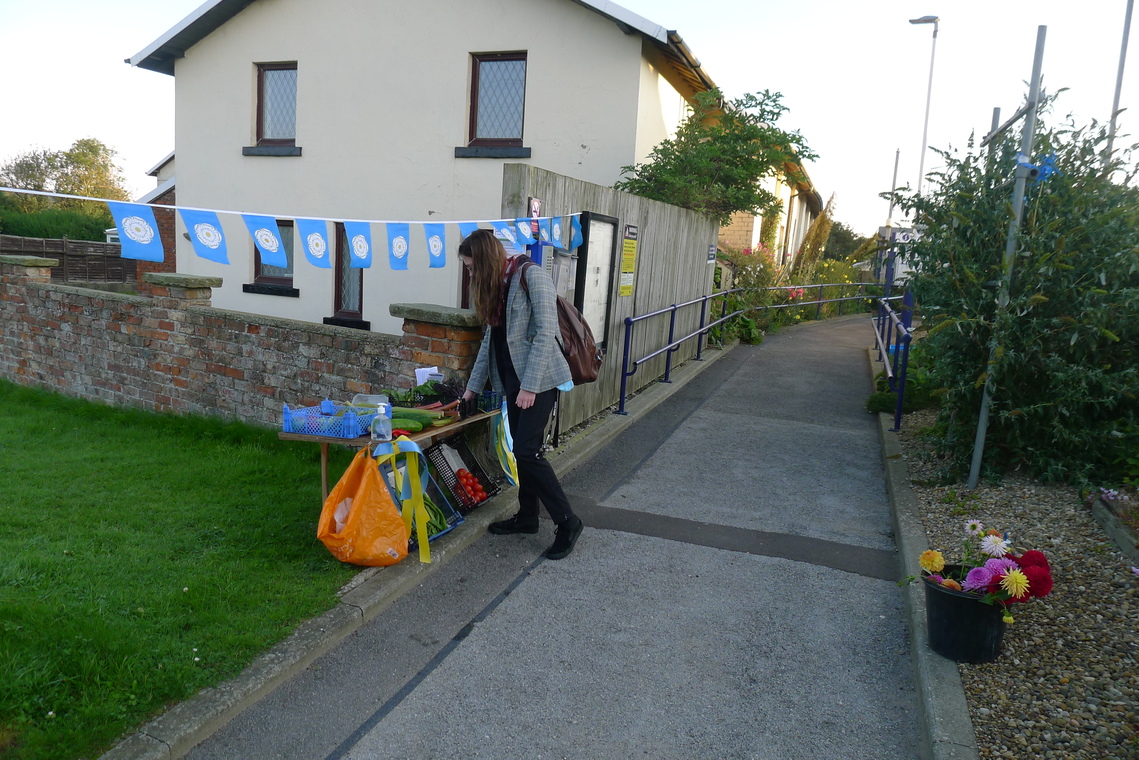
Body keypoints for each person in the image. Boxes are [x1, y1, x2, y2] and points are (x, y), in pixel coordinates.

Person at [459, 229, 584, 560]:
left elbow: (547, 332)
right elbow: (490, 341)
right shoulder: (497, 285)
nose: (470, 273)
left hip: (539, 380)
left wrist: (529, 386)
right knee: (520, 451)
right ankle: (527, 517)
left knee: (528, 452)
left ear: (486, 260)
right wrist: (473, 387)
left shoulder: (532, 275)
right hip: (512, 382)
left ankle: (568, 522)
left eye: (472, 267)